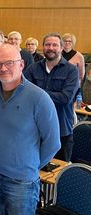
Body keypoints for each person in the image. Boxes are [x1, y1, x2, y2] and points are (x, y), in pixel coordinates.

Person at [0, 43, 61, 215]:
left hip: (21, 183)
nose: (3, 68)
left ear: (21, 64)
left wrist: (30, 166)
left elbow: (53, 142)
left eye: (9, 63)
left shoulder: (39, 98)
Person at [24, 33, 79, 162]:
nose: (51, 48)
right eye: (48, 44)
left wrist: (37, 93)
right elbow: (23, 92)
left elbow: (65, 98)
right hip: (34, 129)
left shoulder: (71, 71)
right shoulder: (33, 68)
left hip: (61, 130)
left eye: (55, 45)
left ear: (61, 48)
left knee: (58, 174)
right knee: (34, 168)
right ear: (43, 47)